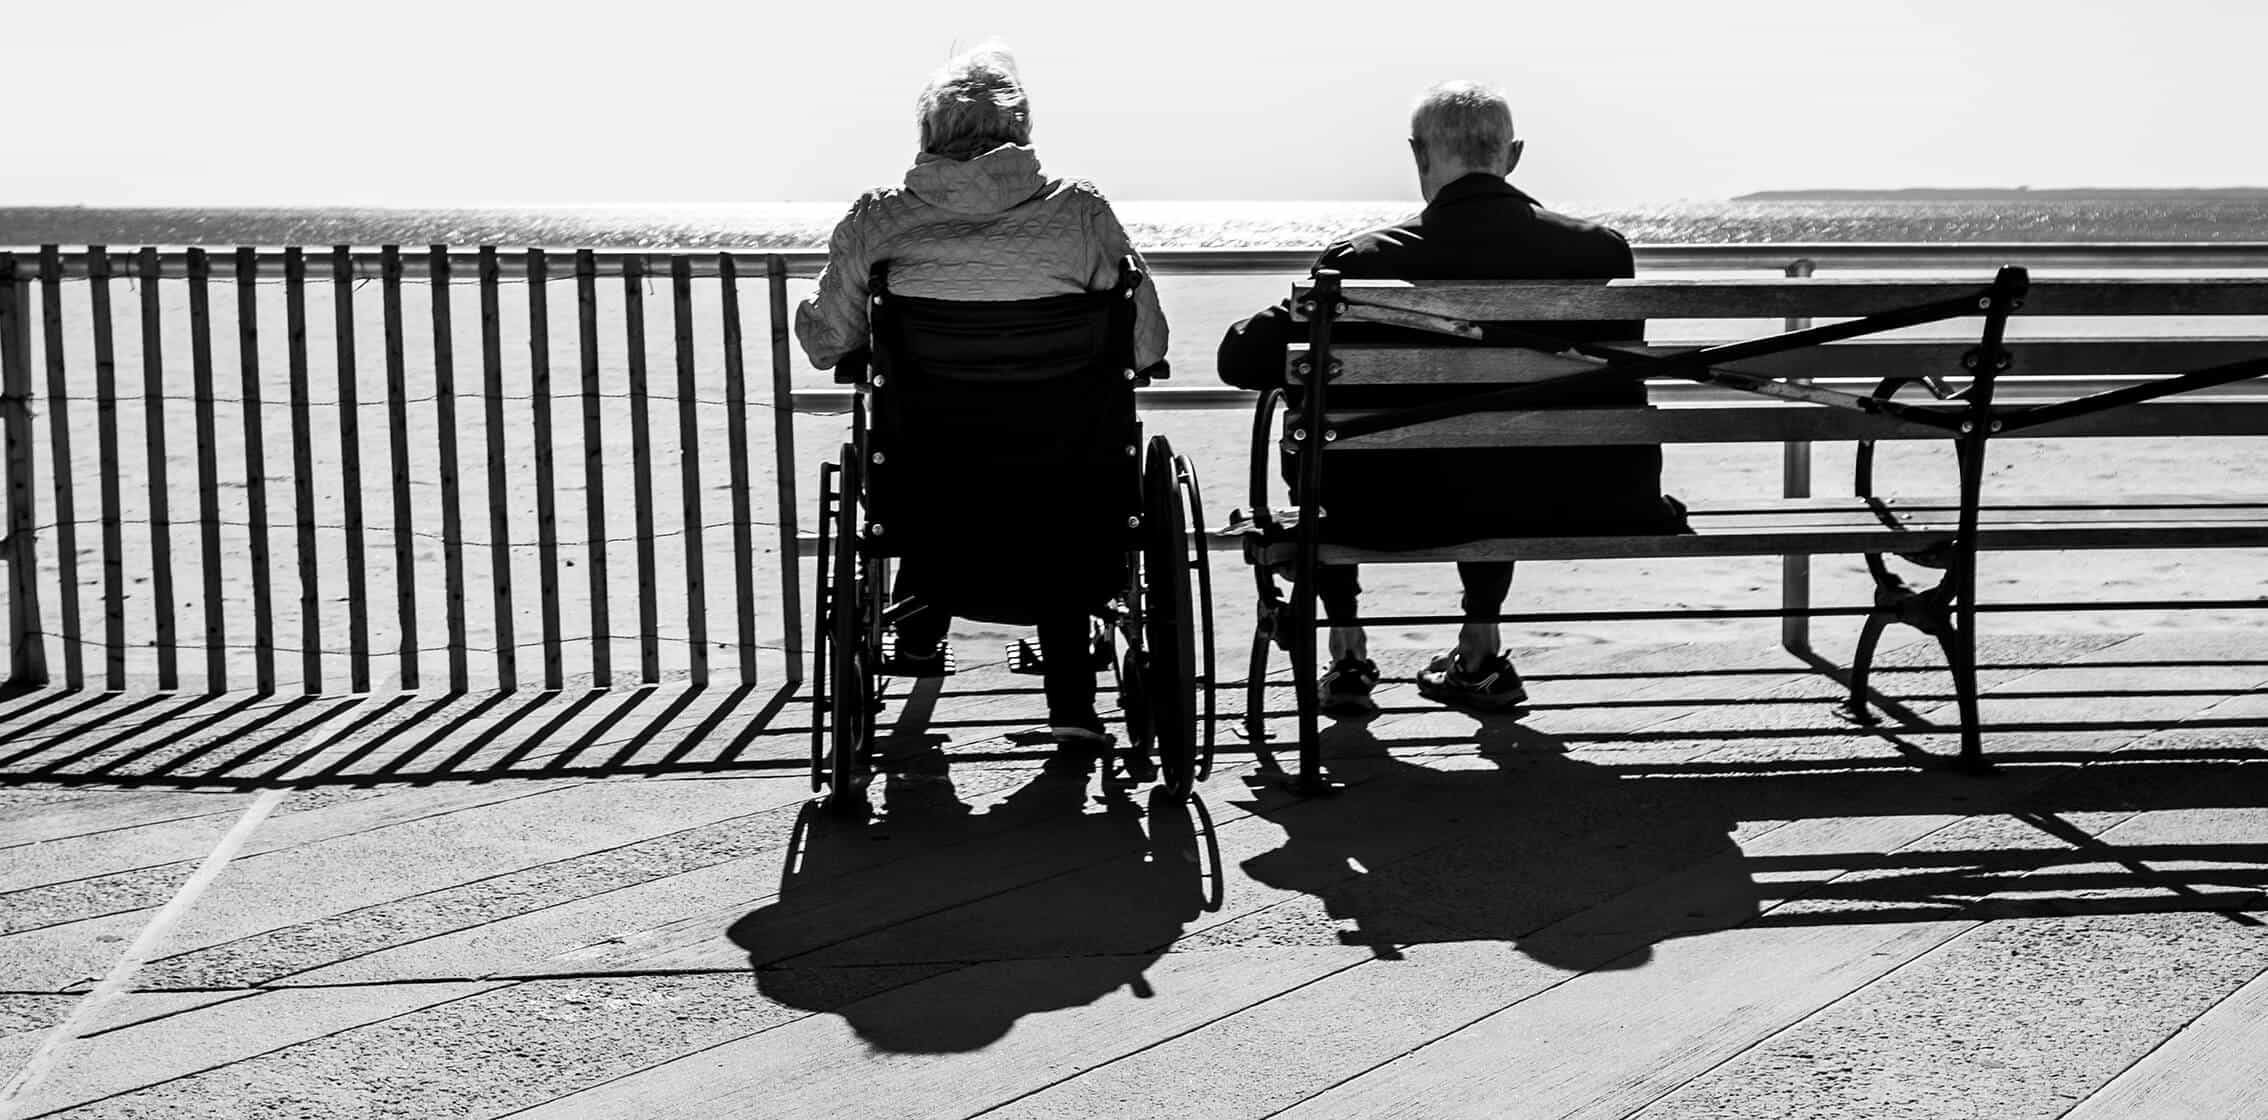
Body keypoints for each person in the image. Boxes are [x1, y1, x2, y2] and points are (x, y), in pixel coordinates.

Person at [1217, 81, 1683, 715]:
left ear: (1418, 155)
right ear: (1512, 155)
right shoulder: (1601, 251)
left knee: (1319, 424)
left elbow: (1239, 359)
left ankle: (1347, 651)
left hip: (1385, 508)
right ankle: (1481, 651)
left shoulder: (1362, 260)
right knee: (1508, 443)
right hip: (1575, 497)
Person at [795, 44, 1169, 744]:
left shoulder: (879, 219)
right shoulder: (1080, 213)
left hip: (931, 482)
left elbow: (825, 343)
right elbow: (1146, 345)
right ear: (1022, 133)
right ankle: (1072, 706)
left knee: (941, 442)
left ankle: (914, 633)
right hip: (1068, 483)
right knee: (1051, 468)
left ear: (928, 136)